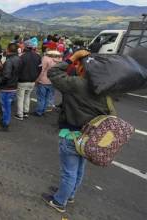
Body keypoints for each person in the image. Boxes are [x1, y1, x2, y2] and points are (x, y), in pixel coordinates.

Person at [42, 50, 114, 213]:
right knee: (79, 168)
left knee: (69, 171)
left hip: (72, 134)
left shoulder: (77, 84)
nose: (76, 66)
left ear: (82, 68)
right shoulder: (104, 88)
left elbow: (53, 72)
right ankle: (70, 194)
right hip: (90, 136)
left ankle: (59, 202)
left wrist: (71, 58)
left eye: (78, 64)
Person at [0, 43, 20, 132]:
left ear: (8, 50)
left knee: (5, 107)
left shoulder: (9, 61)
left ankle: (5, 124)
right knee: (7, 106)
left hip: (7, 87)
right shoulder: (18, 59)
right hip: (14, 86)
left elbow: (6, 76)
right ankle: (4, 121)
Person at [15, 40, 42, 121]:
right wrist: (36, 77)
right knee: (27, 96)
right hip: (32, 81)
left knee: (20, 97)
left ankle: (20, 115)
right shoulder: (38, 56)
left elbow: (18, 69)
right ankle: (26, 112)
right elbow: (40, 68)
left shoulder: (22, 57)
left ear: (26, 47)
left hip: (22, 80)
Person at [34, 50, 62, 117]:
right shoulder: (60, 60)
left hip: (43, 80)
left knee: (41, 97)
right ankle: (43, 110)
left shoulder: (46, 59)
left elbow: (42, 70)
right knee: (47, 97)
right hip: (53, 81)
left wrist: (37, 80)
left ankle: (39, 111)